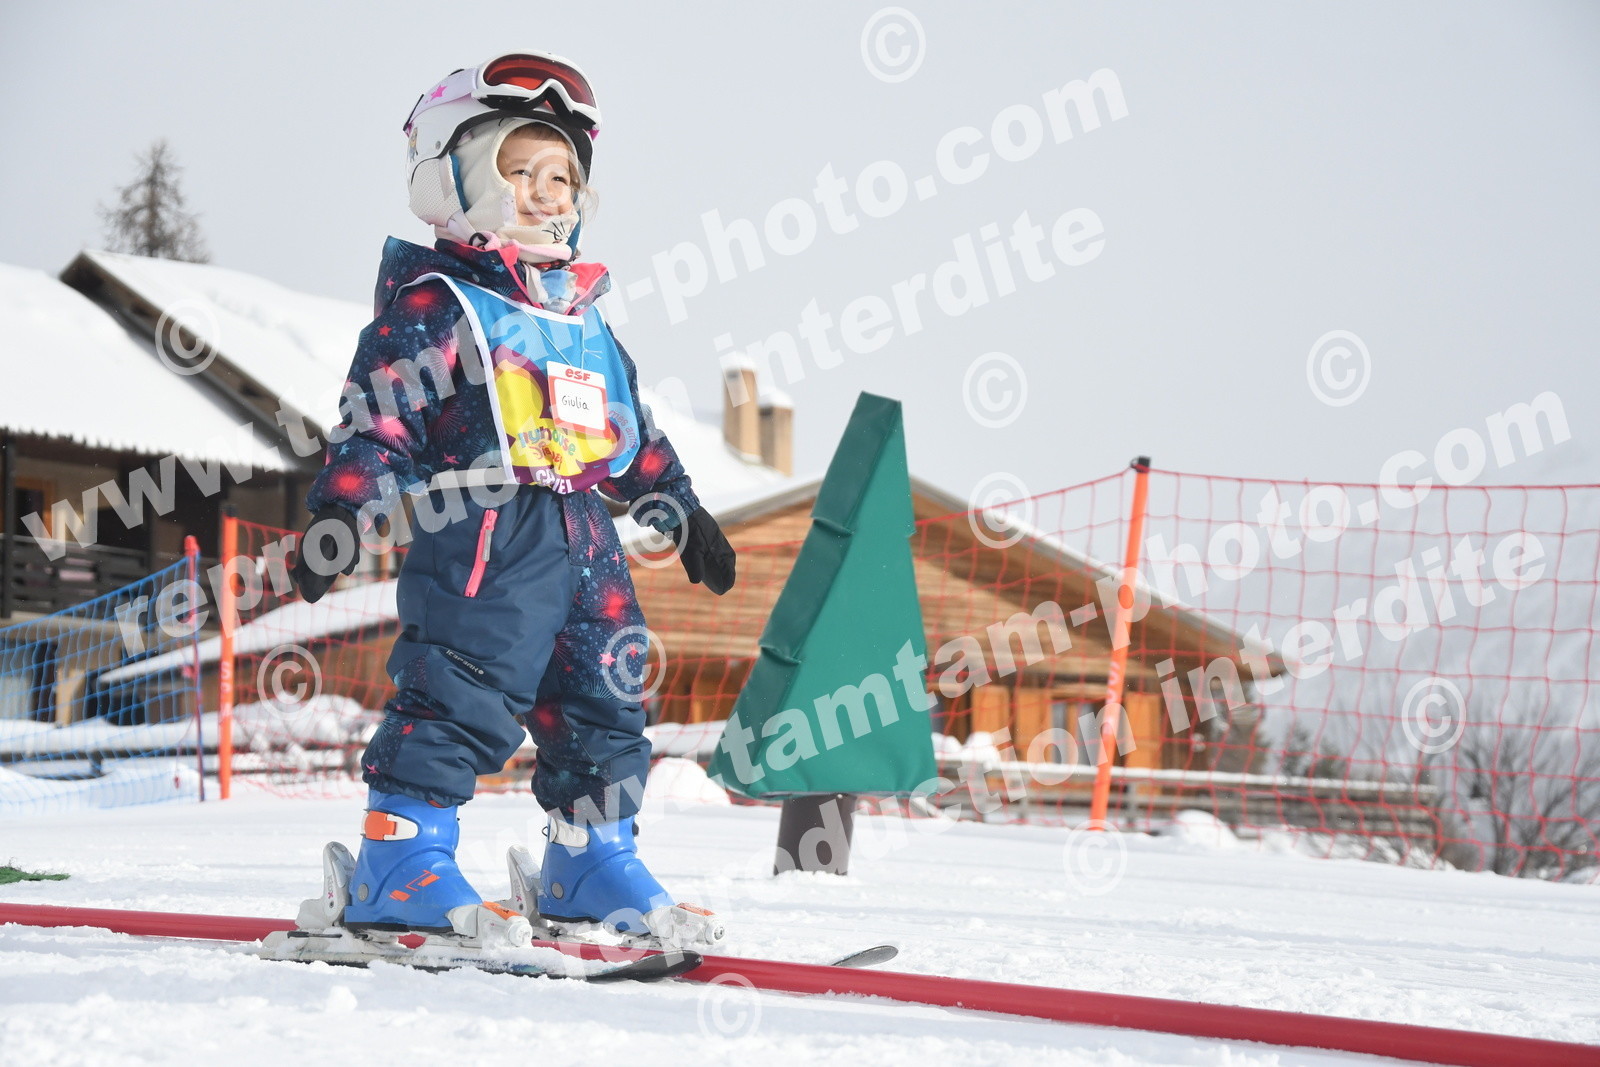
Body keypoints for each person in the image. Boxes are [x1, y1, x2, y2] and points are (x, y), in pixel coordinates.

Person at [288, 51, 735, 951]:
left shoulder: (582, 320)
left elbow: (628, 431)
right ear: (450, 174)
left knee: (607, 694)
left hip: (587, 538)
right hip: (483, 534)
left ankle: (589, 860)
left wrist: (677, 505)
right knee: (460, 688)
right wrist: (343, 510)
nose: (543, 191)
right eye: (518, 169)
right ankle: (398, 862)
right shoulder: (439, 305)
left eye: (560, 175)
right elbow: (381, 420)